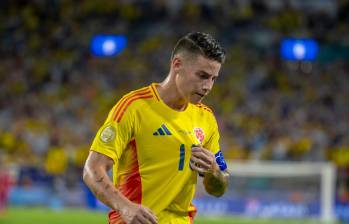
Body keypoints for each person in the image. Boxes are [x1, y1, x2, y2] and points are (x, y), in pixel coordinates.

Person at [83, 32, 230, 224]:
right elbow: (92, 169)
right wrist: (125, 207)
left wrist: (214, 172)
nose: (208, 86)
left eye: (213, 79)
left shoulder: (206, 118)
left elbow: (218, 189)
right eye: (202, 76)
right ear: (177, 65)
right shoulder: (134, 107)